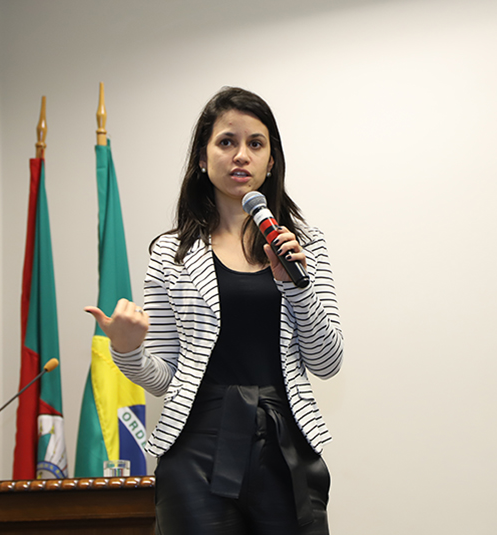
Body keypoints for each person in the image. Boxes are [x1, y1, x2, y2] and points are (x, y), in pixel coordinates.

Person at [86, 87, 343, 535]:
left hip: (284, 442)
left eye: (255, 143)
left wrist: (295, 285)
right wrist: (127, 351)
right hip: (196, 447)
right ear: (203, 159)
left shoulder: (306, 244)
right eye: (227, 142)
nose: (241, 155)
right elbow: (166, 377)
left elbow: (327, 362)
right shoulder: (171, 253)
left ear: (271, 160)